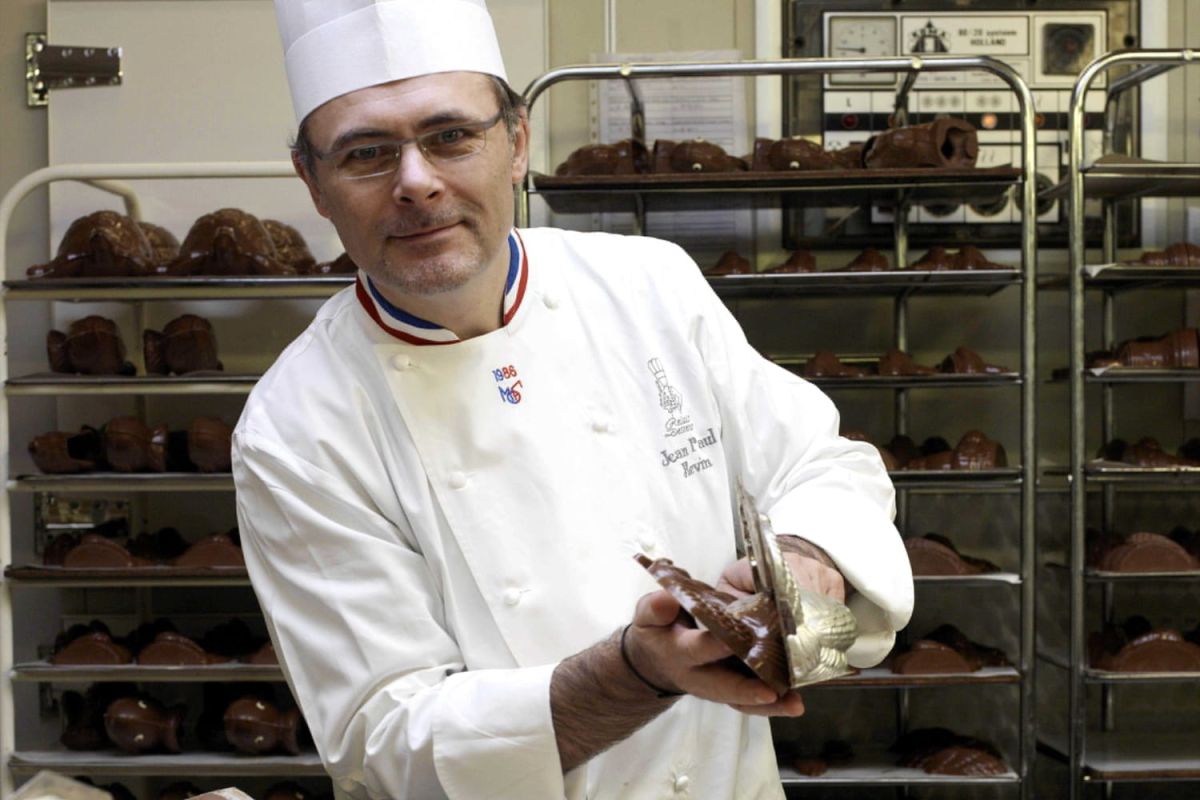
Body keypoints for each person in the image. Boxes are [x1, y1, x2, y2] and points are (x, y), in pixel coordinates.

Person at [232, 1, 914, 798]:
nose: (416, 182)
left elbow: (823, 465)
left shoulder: (648, 285)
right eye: (366, 154)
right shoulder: (296, 428)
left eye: (450, 136)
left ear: (517, 142)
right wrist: (635, 675)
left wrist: (806, 563)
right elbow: (387, 744)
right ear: (313, 184)